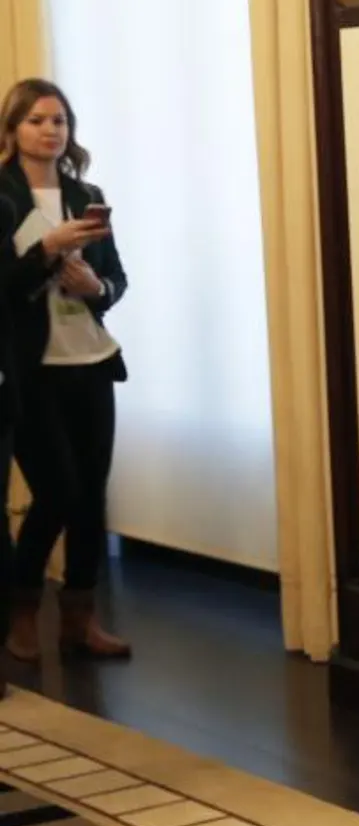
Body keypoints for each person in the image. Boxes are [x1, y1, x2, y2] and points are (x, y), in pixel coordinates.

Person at [0, 78, 128, 663]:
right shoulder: (2, 197)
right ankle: (22, 612)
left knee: (90, 498)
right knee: (56, 492)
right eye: (37, 121)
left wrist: (95, 286)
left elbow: (117, 278)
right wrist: (47, 249)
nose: (51, 131)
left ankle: (80, 617)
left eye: (60, 121)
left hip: (91, 362)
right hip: (31, 370)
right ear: (13, 130)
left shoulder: (87, 193)